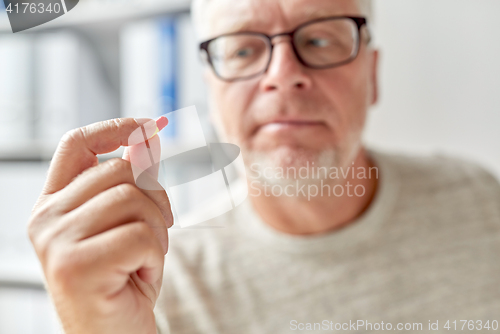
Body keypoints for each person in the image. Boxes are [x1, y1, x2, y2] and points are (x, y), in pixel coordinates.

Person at [28, 0, 500, 333]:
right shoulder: (148, 280)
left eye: (319, 39)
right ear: (211, 91)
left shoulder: (480, 201)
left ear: (372, 76)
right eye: (244, 50)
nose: (283, 75)